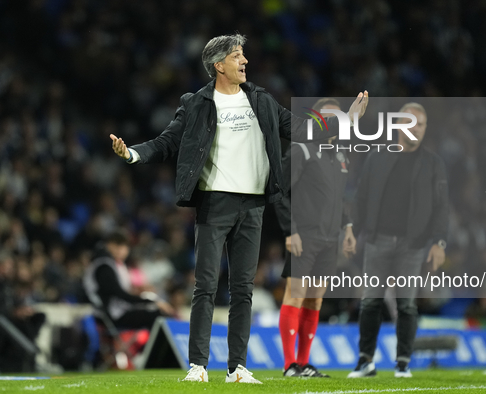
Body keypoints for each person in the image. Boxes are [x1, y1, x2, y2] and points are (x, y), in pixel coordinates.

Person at [109, 33, 369, 384]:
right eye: (236, 56)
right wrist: (132, 153)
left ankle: (237, 368)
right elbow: (166, 141)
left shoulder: (261, 100)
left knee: (243, 289)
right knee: (205, 286)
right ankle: (198, 366)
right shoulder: (197, 102)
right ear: (219, 66)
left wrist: (345, 121)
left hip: (253, 204)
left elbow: (302, 128)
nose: (244, 60)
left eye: (243, 55)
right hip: (215, 201)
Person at [348, 103, 448, 378]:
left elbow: (441, 207)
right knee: (370, 302)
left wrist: (439, 242)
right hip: (377, 241)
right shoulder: (377, 157)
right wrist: (351, 230)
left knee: (406, 304)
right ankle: (365, 360)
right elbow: (361, 197)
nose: (417, 128)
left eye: (422, 124)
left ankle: (403, 362)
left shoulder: (433, 163)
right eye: (411, 122)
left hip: (412, 246)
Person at [274, 98, 357, 378]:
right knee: (295, 296)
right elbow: (279, 192)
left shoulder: (341, 155)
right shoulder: (302, 150)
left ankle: (304, 362)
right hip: (304, 236)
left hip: (329, 239)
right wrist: (291, 231)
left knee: (315, 300)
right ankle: (289, 365)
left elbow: (339, 200)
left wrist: (347, 228)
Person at [83, 231, 174, 330]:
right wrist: (150, 302)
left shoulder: (113, 265)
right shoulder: (104, 267)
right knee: (158, 315)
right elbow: (119, 294)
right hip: (109, 315)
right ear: (111, 245)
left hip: (115, 311)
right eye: (122, 246)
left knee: (159, 312)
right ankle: (154, 345)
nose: (125, 251)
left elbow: (119, 292)